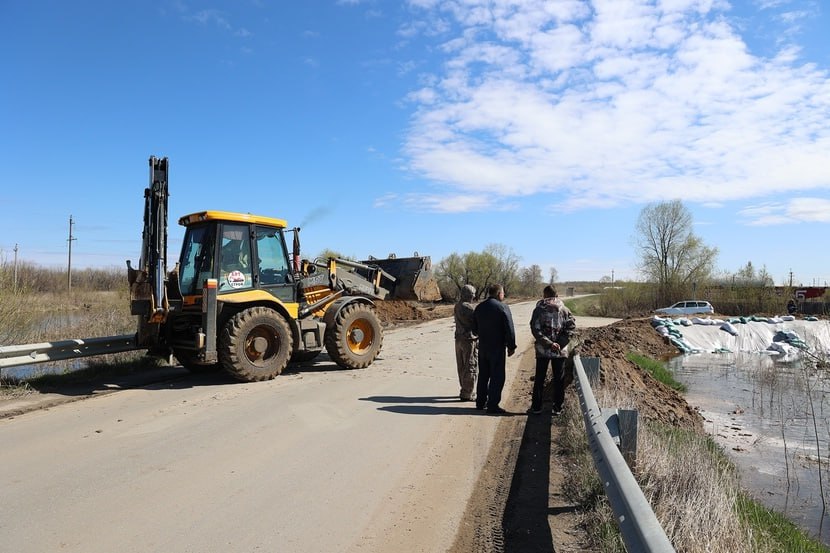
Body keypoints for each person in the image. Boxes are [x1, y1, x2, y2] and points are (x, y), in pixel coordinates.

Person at [529, 285, 576, 415]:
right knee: (558, 379)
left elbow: (535, 329)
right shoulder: (565, 309)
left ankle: (537, 407)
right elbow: (571, 328)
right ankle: (558, 408)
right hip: (560, 351)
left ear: (545, 295)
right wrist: (559, 344)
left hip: (543, 350)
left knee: (539, 379)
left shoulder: (538, 310)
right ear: (557, 295)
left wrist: (549, 344)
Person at [472, 283, 517, 415]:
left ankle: (480, 402)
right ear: (499, 294)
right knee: (497, 376)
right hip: (497, 347)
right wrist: (511, 346)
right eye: (503, 293)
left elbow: (474, 327)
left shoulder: (479, 307)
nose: (503, 295)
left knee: (483, 375)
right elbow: (509, 328)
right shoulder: (502, 307)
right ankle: (492, 405)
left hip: (483, 347)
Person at [454, 284, 478, 402]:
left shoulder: (457, 306)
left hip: (458, 339)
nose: (474, 297)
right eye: (473, 294)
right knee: (470, 365)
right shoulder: (469, 308)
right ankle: (467, 392)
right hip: (469, 340)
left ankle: (464, 388)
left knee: (461, 365)